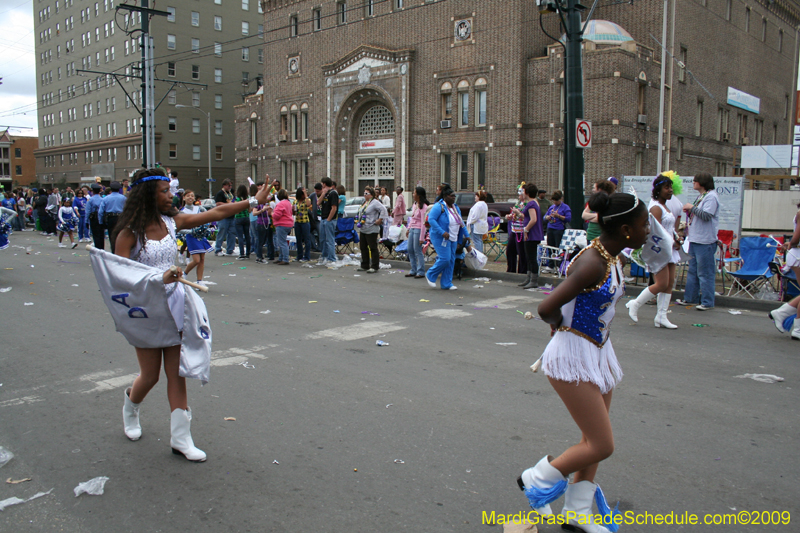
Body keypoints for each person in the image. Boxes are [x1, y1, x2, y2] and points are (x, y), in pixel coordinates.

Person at [113, 168, 270, 462]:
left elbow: (216, 213)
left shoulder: (172, 222)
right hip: (145, 310)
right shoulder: (128, 233)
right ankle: (130, 408)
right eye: (164, 190)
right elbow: (119, 280)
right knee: (150, 376)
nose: (170, 195)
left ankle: (181, 439)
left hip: (174, 306)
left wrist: (251, 202)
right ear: (148, 195)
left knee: (178, 373)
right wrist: (158, 278)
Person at [519, 190, 649, 530]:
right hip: (573, 355)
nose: (648, 230)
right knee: (603, 445)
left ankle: (576, 514)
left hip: (598, 352)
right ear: (625, 229)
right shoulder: (593, 261)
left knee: (590, 442)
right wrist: (561, 327)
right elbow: (546, 307)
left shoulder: (613, 258)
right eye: (644, 224)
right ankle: (538, 476)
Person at [626, 174, 682, 328]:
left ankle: (661, 317)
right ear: (658, 190)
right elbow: (656, 232)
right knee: (661, 283)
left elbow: (669, 230)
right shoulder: (656, 208)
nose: (670, 190)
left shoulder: (665, 206)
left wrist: (677, 239)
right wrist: (669, 243)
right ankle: (635, 304)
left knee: (669, 284)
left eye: (671, 187)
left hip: (670, 250)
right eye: (666, 188)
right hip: (660, 250)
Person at [676, 173, 719, 310]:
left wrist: (691, 208)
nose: (693, 182)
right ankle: (690, 298)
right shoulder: (702, 196)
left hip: (705, 241)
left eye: (696, 181)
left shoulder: (711, 197)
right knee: (693, 271)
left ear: (703, 182)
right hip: (695, 239)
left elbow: (706, 215)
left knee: (705, 272)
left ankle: (707, 301)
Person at [425, 186, 468, 290]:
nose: (454, 198)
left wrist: (466, 235)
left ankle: (446, 283)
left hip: (453, 237)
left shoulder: (455, 207)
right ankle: (431, 274)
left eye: (454, 196)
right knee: (445, 259)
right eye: (451, 196)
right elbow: (431, 220)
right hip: (441, 237)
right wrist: (442, 231)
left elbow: (460, 222)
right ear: (445, 196)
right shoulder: (439, 206)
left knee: (451, 260)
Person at [769, 202, 800, 340]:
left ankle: (781, 313)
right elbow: (797, 236)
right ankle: (798, 328)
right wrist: (792, 243)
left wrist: (792, 243)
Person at [180, 190, 213, 286]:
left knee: (202, 259)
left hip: (201, 236)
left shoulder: (199, 208)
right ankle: (184, 273)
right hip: (191, 237)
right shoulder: (182, 212)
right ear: (184, 198)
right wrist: (192, 231)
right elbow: (180, 228)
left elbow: (207, 216)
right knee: (196, 260)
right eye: (188, 196)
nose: (190, 197)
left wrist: (205, 227)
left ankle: (200, 281)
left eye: (192, 196)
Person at [356, 186, 388, 273]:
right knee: (363, 247)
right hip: (363, 228)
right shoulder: (365, 202)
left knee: (372, 247)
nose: (364, 195)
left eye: (366, 193)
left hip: (371, 228)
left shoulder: (375, 202)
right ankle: (365, 265)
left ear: (371, 195)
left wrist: (380, 219)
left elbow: (383, 209)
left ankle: (375, 266)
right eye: (364, 193)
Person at [520, 183, 544, 289]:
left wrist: (526, 229)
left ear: (527, 193)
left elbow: (533, 219)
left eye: (524, 191)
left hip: (532, 234)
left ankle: (533, 280)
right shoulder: (535, 202)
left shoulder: (531, 204)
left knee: (531, 257)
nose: (522, 193)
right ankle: (529, 278)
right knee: (529, 256)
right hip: (534, 234)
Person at [543, 191, 572, 271]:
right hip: (550, 228)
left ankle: (559, 265)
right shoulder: (552, 207)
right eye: (554, 201)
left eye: (556, 200)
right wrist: (547, 217)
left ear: (560, 199)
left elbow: (568, 218)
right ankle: (551, 265)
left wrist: (558, 216)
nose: (555, 202)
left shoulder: (565, 207)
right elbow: (544, 216)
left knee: (558, 248)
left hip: (559, 229)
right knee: (550, 247)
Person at [406, 186, 429, 279]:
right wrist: (408, 228)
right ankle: (413, 270)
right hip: (412, 228)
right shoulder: (415, 204)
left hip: (419, 229)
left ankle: (421, 271)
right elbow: (412, 218)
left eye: (414, 193)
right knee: (410, 249)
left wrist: (421, 237)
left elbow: (424, 222)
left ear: (418, 195)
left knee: (417, 250)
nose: (413, 194)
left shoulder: (424, 206)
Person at [99, 181, 127, 254]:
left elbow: (100, 212)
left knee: (112, 236)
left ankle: (114, 252)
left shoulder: (106, 198)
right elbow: (127, 209)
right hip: (120, 218)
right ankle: (120, 252)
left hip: (110, 218)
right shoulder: (123, 198)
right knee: (121, 235)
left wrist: (101, 222)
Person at [506, 186, 528, 274]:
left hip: (521, 231)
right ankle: (511, 270)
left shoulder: (527, 204)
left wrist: (517, 213)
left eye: (520, 194)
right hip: (514, 230)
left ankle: (522, 272)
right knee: (510, 250)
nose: (518, 196)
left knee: (521, 252)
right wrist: (510, 216)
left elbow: (525, 217)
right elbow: (513, 214)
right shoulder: (518, 203)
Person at [317, 177, 339, 265]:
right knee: (322, 239)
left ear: (324, 184)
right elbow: (318, 203)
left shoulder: (333, 193)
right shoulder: (325, 193)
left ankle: (331, 258)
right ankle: (324, 257)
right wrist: (323, 193)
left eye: (322, 184)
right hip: (323, 218)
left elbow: (334, 208)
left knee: (329, 240)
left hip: (329, 219)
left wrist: (329, 219)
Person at [213, 180, 236, 257]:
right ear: (224, 185)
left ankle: (230, 250)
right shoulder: (220, 193)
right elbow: (218, 203)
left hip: (231, 216)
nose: (230, 187)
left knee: (232, 233)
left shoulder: (231, 193)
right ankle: (218, 249)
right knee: (222, 233)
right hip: (223, 216)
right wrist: (228, 204)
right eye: (228, 186)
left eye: (231, 186)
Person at [271, 189, 294, 265]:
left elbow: (277, 215)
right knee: (282, 241)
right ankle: (281, 258)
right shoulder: (288, 203)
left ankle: (285, 259)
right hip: (288, 223)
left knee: (282, 242)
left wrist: (272, 214)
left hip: (282, 224)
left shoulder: (281, 204)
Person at [232, 185, 252, 260]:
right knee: (247, 236)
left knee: (240, 237)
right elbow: (250, 210)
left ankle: (241, 254)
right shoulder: (248, 199)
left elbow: (236, 211)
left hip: (239, 219)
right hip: (246, 218)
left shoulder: (237, 200)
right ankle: (248, 253)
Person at [466, 190, 489, 254]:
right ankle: (480, 254)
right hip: (482, 225)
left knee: (476, 241)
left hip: (476, 225)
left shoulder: (478, 205)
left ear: (479, 197)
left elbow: (475, 216)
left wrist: (470, 222)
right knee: (479, 241)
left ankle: (479, 255)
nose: (475, 197)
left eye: (476, 196)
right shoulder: (484, 204)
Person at [252, 191, 271, 264]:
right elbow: (254, 213)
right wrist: (262, 210)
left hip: (266, 224)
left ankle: (260, 255)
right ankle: (259, 257)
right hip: (260, 224)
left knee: (263, 241)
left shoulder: (266, 204)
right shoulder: (258, 205)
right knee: (259, 241)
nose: (267, 199)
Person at [293, 187, 312, 262]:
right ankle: (299, 255)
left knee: (307, 239)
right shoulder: (296, 202)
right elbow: (293, 212)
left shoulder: (306, 200)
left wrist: (306, 194)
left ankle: (307, 256)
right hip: (297, 221)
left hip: (305, 222)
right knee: (298, 239)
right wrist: (293, 210)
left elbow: (308, 204)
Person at [86, 183, 105, 249]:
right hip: (101, 218)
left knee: (96, 235)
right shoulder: (102, 199)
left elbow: (88, 211)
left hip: (93, 218)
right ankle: (102, 249)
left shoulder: (90, 200)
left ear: (92, 191)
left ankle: (97, 249)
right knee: (101, 235)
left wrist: (86, 221)